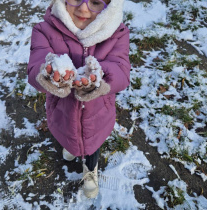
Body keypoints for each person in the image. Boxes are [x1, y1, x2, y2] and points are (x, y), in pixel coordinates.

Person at [27, 0, 130, 198]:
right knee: (66, 133)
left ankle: (90, 171)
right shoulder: (44, 30)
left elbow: (121, 70)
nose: (83, 8)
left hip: (98, 115)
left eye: (95, 2)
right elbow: (36, 64)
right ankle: (70, 147)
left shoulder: (117, 33)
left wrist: (99, 79)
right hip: (62, 110)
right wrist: (49, 73)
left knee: (92, 147)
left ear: (110, 6)